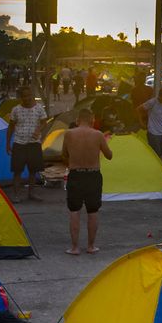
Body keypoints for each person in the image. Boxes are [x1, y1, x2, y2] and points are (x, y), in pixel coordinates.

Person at [62, 108, 112, 255]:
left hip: (76, 174)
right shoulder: (98, 135)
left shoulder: (69, 134)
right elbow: (109, 155)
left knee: (74, 210)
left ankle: (75, 247)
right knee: (93, 210)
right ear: (92, 120)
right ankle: (91, 246)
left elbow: (64, 154)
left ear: (78, 120)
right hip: (93, 175)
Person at [6, 86, 47, 202]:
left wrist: (38, 130)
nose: (27, 98)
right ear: (21, 97)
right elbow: (11, 127)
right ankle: (16, 194)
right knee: (17, 171)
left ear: (32, 96)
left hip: (34, 144)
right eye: (24, 96)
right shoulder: (16, 110)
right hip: (19, 143)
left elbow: (44, 122)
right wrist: (7, 144)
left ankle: (32, 193)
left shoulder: (39, 109)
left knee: (33, 170)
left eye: (29, 95)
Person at [139, 89, 162, 155]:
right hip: (153, 132)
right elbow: (138, 109)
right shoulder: (152, 102)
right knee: (156, 154)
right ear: (159, 96)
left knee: (161, 154)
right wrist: (141, 123)